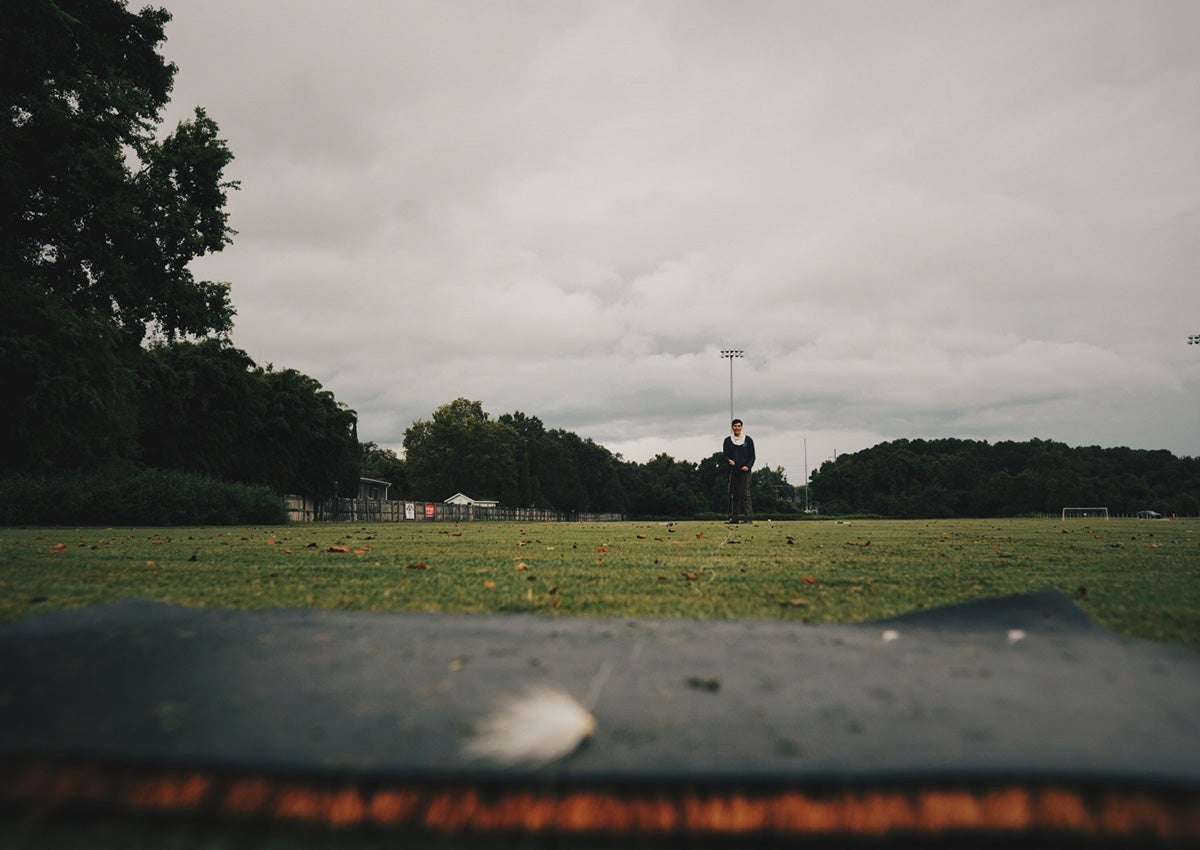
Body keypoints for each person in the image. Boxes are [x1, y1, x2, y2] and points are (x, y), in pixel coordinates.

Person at [723, 418, 755, 523]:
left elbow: (752, 456)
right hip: (733, 470)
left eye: (739, 426)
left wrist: (748, 466)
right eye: (735, 426)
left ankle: (748, 518)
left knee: (745, 494)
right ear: (732, 427)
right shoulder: (727, 441)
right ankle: (734, 518)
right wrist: (729, 460)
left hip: (745, 471)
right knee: (734, 494)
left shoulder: (748, 440)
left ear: (741, 427)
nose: (737, 428)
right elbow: (725, 455)